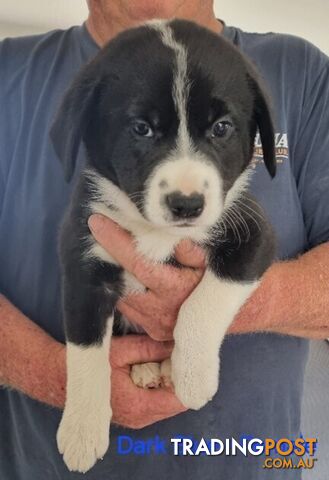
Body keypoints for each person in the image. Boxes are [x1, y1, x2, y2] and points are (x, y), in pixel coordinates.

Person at [0, 0, 328, 478]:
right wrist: (57, 377)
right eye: (141, 128)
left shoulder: (302, 73)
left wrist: (238, 308)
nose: (185, 188)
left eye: (219, 128)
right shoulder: (9, 74)